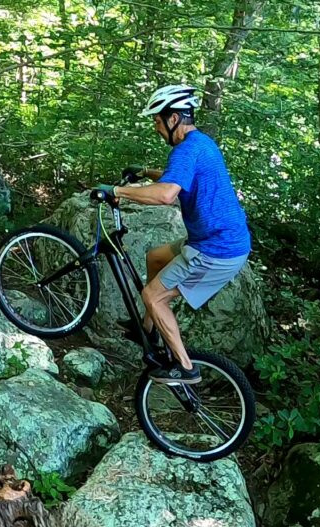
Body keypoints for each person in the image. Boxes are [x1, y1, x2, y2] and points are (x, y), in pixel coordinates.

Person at [98, 85, 251, 385]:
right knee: (155, 258)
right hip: (217, 240)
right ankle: (148, 328)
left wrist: (116, 191)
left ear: (174, 119)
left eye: (157, 121)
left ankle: (184, 367)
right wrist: (146, 172)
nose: (155, 128)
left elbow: (166, 194)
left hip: (216, 251)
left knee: (152, 297)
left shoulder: (186, 149)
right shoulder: (200, 143)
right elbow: (177, 178)